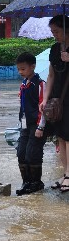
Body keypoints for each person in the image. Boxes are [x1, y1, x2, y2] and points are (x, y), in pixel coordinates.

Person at [41, 14, 69, 192]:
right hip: (57, 98)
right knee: (60, 137)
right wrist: (45, 99)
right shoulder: (54, 49)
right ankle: (66, 173)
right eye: (52, 32)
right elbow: (51, 75)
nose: (55, 35)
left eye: (57, 31)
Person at [15, 52, 48, 195]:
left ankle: (36, 183)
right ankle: (26, 182)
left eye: (23, 69)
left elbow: (43, 108)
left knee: (32, 154)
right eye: (19, 69)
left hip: (37, 124)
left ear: (33, 67)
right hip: (25, 124)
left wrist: (41, 127)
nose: (20, 72)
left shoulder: (40, 84)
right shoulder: (24, 84)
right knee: (21, 153)